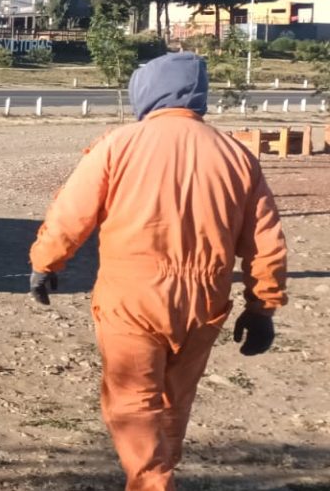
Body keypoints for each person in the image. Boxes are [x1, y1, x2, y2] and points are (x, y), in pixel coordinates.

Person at [27, 52, 287, 491]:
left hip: (132, 295)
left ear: (144, 92)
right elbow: (265, 239)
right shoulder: (237, 156)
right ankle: (161, 472)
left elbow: (71, 213)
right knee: (174, 401)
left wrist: (45, 262)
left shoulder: (118, 145)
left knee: (132, 400)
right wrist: (262, 307)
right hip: (205, 298)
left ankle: (152, 482)